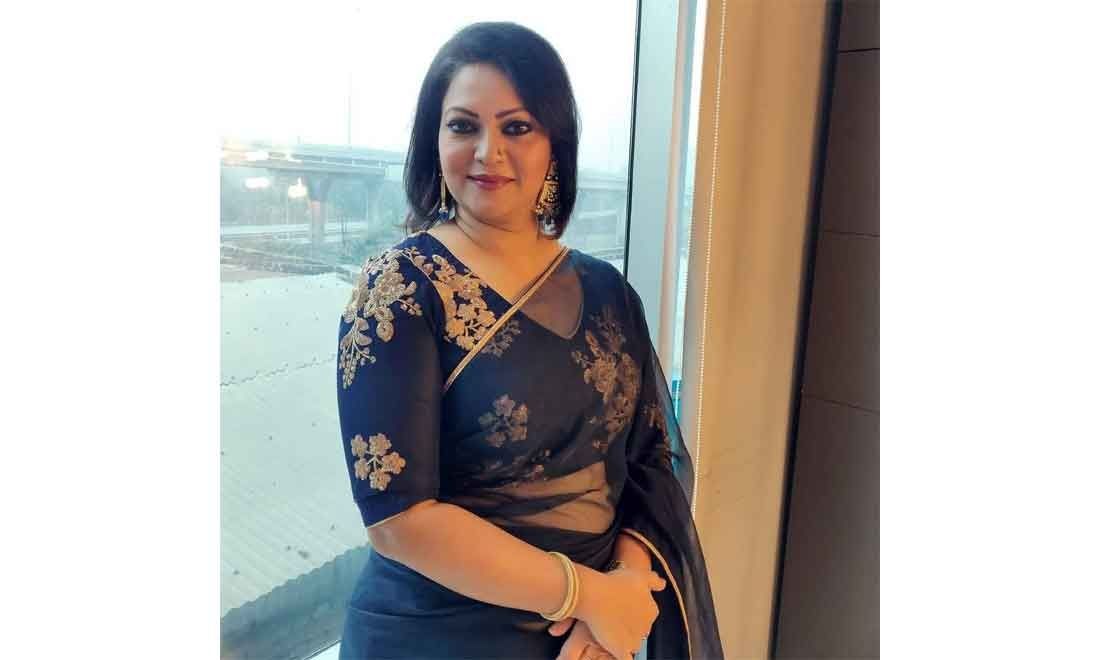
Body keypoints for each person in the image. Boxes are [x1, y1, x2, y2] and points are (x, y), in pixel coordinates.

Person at [336, 21, 723, 660]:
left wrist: (624, 590)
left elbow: (653, 458)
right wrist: (585, 596)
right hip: (436, 637)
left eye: (517, 127)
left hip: (591, 639)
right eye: (463, 126)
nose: (488, 152)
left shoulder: (607, 291)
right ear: (434, 140)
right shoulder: (400, 290)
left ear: (554, 144)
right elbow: (399, 520)